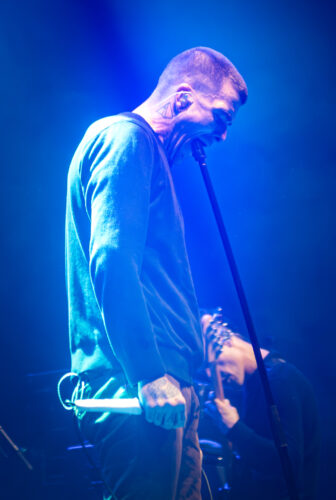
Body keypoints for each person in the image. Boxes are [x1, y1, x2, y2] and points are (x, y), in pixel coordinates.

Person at [64, 47, 247, 500]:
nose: (222, 135)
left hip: (166, 384)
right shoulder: (126, 138)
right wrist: (147, 372)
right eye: (221, 116)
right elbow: (112, 258)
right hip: (140, 383)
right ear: (182, 98)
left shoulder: (145, 152)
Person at [201, 313, 320, 500]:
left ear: (225, 340)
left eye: (210, 364)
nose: (211, 375)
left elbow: (288, 462)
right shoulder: (252, 384)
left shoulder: (281, 380)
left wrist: (234, 428)